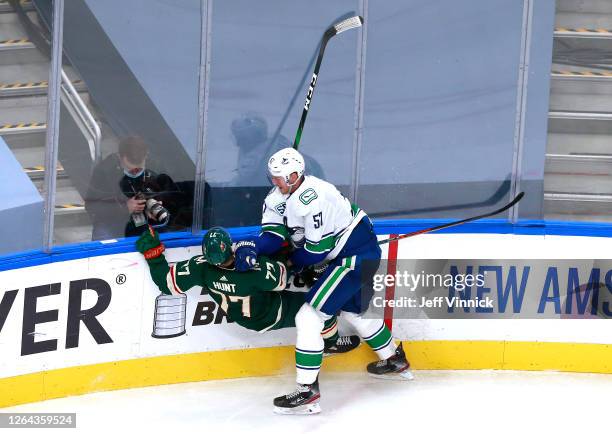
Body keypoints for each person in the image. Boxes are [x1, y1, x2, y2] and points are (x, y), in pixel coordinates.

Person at [234, 147, 413, 415]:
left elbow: (316, 252)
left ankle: (307, 391)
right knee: (355, 312)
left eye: (279, 177)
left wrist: (291, 262)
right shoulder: (277, 197)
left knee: (308, 317)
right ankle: (394, 359)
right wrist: (253, 247)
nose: (274, 182)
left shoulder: (315, 198)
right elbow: (272, 235)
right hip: (352, 255)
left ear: (295, 175)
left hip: (354, 259)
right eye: (272, 177)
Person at [136, 225, 360, 354]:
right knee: (321, 308)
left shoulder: (200, 267)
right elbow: (283, 277)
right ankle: (331, 344)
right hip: (271, 313)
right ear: (230, 246)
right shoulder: (254, 271)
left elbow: (167, 284)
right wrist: (279, 252)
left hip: (243, 317)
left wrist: (153, 255)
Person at [85, 136, 191, 240]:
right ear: (120, 157)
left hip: (143, 222)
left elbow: (173, 194)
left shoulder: (155, 166)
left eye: (139, 169)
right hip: (113, 223)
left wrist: (155, 204)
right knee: (103, 237)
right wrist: (124, 208)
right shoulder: (104, 171)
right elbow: (92, 206)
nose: (135, 172)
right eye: (130, 169)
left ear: (146, 157)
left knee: (172, 232)